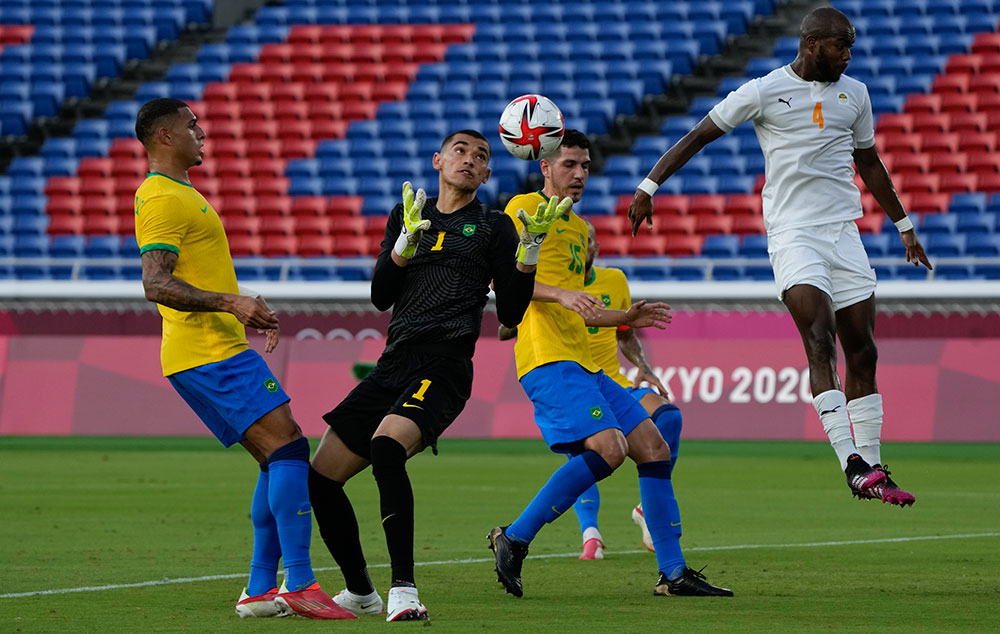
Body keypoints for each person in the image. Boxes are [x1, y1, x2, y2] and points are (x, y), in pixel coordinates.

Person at [628, 7, 929, 507]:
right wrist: (648, 184)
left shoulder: (855, 94)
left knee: (864, 349)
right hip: (793, 234)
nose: (849, 55)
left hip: (844, 235)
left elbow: (869, 162)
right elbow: (700, 135)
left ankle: (874, 465)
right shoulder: (763, 90)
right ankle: (849, 462)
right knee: (819, 336)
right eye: (841, 46)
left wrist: (904, 227)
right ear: (812, 43)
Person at [306, 130, 556, 622]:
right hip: (393, 363)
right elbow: (381, 295)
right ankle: (360, 591)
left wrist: (527, 253)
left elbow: (510, 309)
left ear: (487, 174)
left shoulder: (493, 225)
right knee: (320, 479)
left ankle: (404, 589)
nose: (470, 160)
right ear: (438, 160)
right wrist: (404, 242)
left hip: (445, 364)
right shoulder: (407, 215)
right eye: (460, 151)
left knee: (385, 447)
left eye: (481, 156)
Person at [132, 98, 354, 620]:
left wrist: (245, 303)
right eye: (191, 125)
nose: (201, 132)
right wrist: (233, 304)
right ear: (165, 137)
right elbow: (155, 282)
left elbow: (195, 273)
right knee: (292, 448)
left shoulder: (183, 195)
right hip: (207, 352)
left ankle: (259, 590)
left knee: (274, 456)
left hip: (213, 348)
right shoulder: (161, 198)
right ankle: (297, 580)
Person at [488, 129, 732, 599]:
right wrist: (558, 292)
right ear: (545, 167)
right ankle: (513, 538)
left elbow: (585, 309)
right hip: (547, 356)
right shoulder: (521, 210)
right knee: (609, 447)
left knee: (654, 447)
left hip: (586, 362)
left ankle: (674, 573)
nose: (579, 174)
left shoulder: (579, 231)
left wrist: (626, 317)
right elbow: (504, 288)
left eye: (584, 165)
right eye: (568, 165)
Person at [499, 220, 681, 559]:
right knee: (602, 449)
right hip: (565, 373)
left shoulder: (613, 280)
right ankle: (587, 532)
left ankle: (672, 567)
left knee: (664, 427)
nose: (587, 246)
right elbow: (506, 319)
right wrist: (536, 310)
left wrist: (642, 361)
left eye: (590, 241)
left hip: (608, 377)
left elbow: (624, 331)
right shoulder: (551, 281)